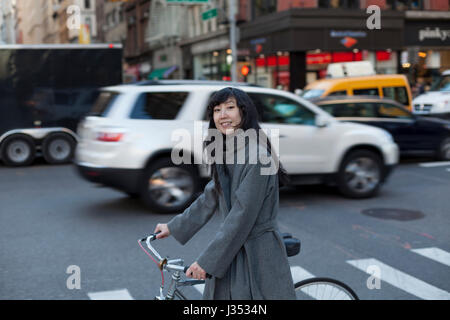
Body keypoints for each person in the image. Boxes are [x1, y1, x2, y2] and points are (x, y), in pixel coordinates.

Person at [154, 87, 296, 300]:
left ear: (243, 112)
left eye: (230, 108)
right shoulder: (229, 149)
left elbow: (242, 216)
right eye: (217, 110)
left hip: (256, 254)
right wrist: (173, 227)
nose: (223, 115)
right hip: (234, 248)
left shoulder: (256, 156)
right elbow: (211, 195)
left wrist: (206, 261)